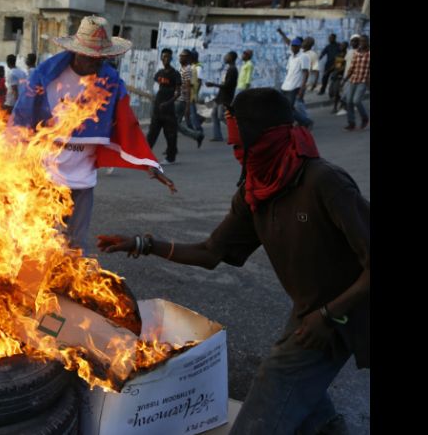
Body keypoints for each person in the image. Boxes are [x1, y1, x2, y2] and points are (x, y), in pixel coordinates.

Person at [97, 87, 368, 435]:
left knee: (275, 384)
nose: (234, 151)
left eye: (242, 143)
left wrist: (329, 315)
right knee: (290, 376)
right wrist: (143, 243)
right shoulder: (256, 191)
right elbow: (212, 252)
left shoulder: (324, 182)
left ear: (267, 137)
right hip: (312, 308)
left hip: (350, 308)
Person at [12, 15, 175, 251]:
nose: (97, 64)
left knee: (75, 246)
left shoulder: (109, 82)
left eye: (102, 59)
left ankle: (69, 286)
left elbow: (127, 125)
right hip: (48, 177)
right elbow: (22, 118)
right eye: (92, 58)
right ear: (77, 53)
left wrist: (150, 164)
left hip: (83, 180)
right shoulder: (48, 76)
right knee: (41, 244)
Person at [146, 48, 182, 166]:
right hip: (157, 108)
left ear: (171, 58)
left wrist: (168, 102)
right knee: (152, 133)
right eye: (164, 57)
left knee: (170, 134)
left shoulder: (175, 74)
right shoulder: (159, 73)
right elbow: (157, 83)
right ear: (161, 58)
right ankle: (144, 155)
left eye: (168, 57)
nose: (165, 59)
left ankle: (171, 158)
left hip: (168, 110)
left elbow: (178, 93)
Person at [277, 30, 314, 129]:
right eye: (292, 46)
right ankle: (303, 121)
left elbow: (306, 73)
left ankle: (305, 122)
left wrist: (302, 89)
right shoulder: (291, 57)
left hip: (294, 87)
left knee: (288, 109)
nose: (293, 47)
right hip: (286, 86)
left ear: (299, 46)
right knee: (286, 107)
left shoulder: (303, 57)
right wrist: (282, 34)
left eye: (295, 46)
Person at [205, 51, 239, 142]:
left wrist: (213, 84)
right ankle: (217, 136)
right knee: (214, 114)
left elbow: (228, 86)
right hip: (221, 96)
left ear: (231, 58)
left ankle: (238, 131)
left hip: (226, 97)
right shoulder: (229, 69)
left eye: (227, 56)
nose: (225, 57)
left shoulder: (233, 70)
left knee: (221, 116)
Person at [341, 35, 370, 131]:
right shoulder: (356, 53)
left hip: (363, 81)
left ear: (368, 42)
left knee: (356, 101)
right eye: (361, 41)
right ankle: (351, 123)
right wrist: (345, 79)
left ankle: (365, 118)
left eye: (364, 41)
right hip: (353, 80)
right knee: (348, 101)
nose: (362, 43)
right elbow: (352, 68)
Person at [328, 42, 348, 114]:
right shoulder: (339, 55)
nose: (341, 47)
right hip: (335, 75)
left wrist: (339, 71)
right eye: (340, 45)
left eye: (343, 45)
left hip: (341, 76)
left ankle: (335, 108)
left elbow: (345, 66)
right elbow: (336, 65)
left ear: (346, 47)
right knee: (331, 92)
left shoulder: (347, 55)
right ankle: (343, 102)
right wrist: (328, 71)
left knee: (336, 92)